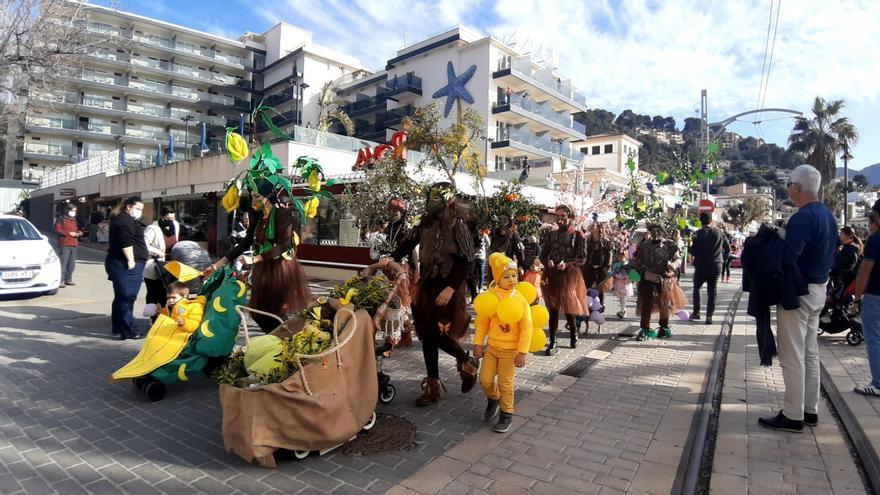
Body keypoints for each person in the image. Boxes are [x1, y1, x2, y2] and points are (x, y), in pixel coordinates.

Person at [759, 165, 838, 433]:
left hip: (798, 293)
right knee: (810, 353)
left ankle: (793, 415)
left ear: (797, 187)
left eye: (789, 184)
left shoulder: (803, 217)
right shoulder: (828, 216)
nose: (787, 189)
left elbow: (790, 257)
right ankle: (809, 409)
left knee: (792, 354)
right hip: (818, 289)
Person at [388, 182, 477, 407]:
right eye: (432, 196)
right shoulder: (425, 223)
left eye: (439, 197)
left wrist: (451, 288)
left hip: (448, 288)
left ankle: (467, 363)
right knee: (427, 336)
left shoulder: (458, 224)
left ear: (449, 200)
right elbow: (408, 243)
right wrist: (391, 258)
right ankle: (433, 386)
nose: (433, 201)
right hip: (427, 286)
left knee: (441, 334)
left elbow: (468, 260)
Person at [207, 180, 311, 332]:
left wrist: (255, 258)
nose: (253, 200)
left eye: (256, 195)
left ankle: (286, 343)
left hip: (280, 269)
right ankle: (278, 341)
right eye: (251, 196)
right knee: (258, 314)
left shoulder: (281, 213)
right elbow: (244, 243)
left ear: (267, 195)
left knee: (274, 313)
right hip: (264, 270)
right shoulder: (259, 218)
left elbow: (284, 244)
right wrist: (216, 265)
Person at [474, 253, 533, 433]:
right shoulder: (491, 296)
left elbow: (527, 328)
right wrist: (478, 343)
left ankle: (506, 413)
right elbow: (483, 321)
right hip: (492, 348)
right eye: (506, 276)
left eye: (514, 275)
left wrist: (522, 352)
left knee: (505, 383)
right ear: (497, 279)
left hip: (510, 351)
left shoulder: (520, 299)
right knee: (484, 380)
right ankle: (493, 399)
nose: (512, 279)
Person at [539, 205, 588, 354]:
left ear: (570, 217)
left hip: (569, 276)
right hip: (552, 274)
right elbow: (543, 254)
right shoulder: (551, 234)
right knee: (552, 308)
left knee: (568, 307)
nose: (559, 219)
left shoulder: (578, 235)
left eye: (563, 216)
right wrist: (547, 261)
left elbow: (582, 258)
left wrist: (566, 265)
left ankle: (573, 332)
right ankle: (553, 341)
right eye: (557, 216)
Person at [630, 223, 686, 341]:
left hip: (664, 277)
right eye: (652, 230)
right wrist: (630, 266)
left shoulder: (669, 244)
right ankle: (645, 329)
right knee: (646, 303)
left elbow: (678, 258)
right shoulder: (645, 245)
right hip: (648, 277)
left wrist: (673, 265)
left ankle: (664, 327)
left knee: (664, 303)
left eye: (658, 230)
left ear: (663, 231)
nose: (655, 233)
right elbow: (639, 260)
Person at [106, 196, 148, 340]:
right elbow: (126, 242)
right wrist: (130, 260)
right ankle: (129, 330)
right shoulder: (124, 220)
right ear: (128, 207)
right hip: (126, 264)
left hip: (123, 263)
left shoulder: (125, 219)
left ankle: (118, 326)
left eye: (141, 209)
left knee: (121, 297)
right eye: (138, 208)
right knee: (127, 297)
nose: (139, 212)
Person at [853, 205, 880, 396]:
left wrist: (857, 298)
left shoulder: (875, 241)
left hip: (876, 295)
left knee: (874, 339)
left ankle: (878, 383)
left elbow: (864, 271)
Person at [689, 212, 729, 325]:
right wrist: (723, 260)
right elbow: (728, 248)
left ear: (700, 221)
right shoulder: (720, 233)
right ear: (711, 221)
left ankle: (696, 312)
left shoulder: (697, 234)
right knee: (712, 291)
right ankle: (709, 316)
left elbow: (692, 250)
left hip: (701, 265)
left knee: (697, 287)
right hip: (716, 265)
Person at [143, 215, 167, 314]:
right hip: (153, 264)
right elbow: (144, 244)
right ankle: (152, 316)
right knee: (153, 291)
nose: (171, 221)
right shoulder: (152, 228)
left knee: (163, 292)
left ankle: (161, 314)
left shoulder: (172, 228)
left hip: (166, 265)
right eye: (168, 219)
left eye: (173, 219)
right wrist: (156, 251)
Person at [55, 203, 82, 287]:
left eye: (75, 211)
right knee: (63, 262)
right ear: (67, 210)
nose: (73, 212)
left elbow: (76, 229)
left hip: (74, 243)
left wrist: (78, 233)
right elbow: (57, 229)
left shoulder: (74, 219)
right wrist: (69, 233)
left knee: (71, 263)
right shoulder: (61, 218)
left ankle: (68, 279)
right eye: (72, 210)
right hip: (64, 243)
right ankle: (60, 280)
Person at [610, 250, 633, 319]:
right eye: (619, 257)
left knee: (623, 297)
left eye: (621, 257)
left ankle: (623, 311)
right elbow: (614, 272)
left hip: (625, 283)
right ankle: (623, 310)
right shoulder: (617, 264)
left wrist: (629, 279)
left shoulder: (627, 265)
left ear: (625, 256)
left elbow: (628, 274)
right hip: (619, 282)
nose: (620, 258)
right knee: (621, 297)